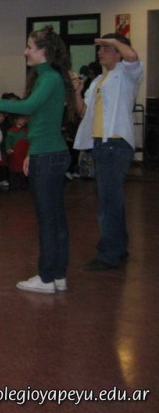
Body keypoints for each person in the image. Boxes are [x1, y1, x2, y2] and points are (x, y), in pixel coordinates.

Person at [0, 25, 74, 295]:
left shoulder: (49, 78)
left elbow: (28, 107)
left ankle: (47, 277)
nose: (25, 51)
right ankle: (57, 274)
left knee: (48, 219)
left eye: (29, 47)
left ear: (43, 51)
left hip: (48, 155)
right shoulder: (50, 77)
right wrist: (32, 152)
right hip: (47, 152)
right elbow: (43, 120)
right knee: (55, 218)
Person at [72, 34, 142, 271]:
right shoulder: (98, 81)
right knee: (112, 199)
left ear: (118, 52)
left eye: (106, 48)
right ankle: (118, 248)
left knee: (108, 201)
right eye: (100, 48)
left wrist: (113, 41)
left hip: (116, 143)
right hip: (101, 144)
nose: (100, 52)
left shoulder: (127, 73)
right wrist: (77, 92)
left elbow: (132, 55)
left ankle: (108, 254)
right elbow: (84, 113)